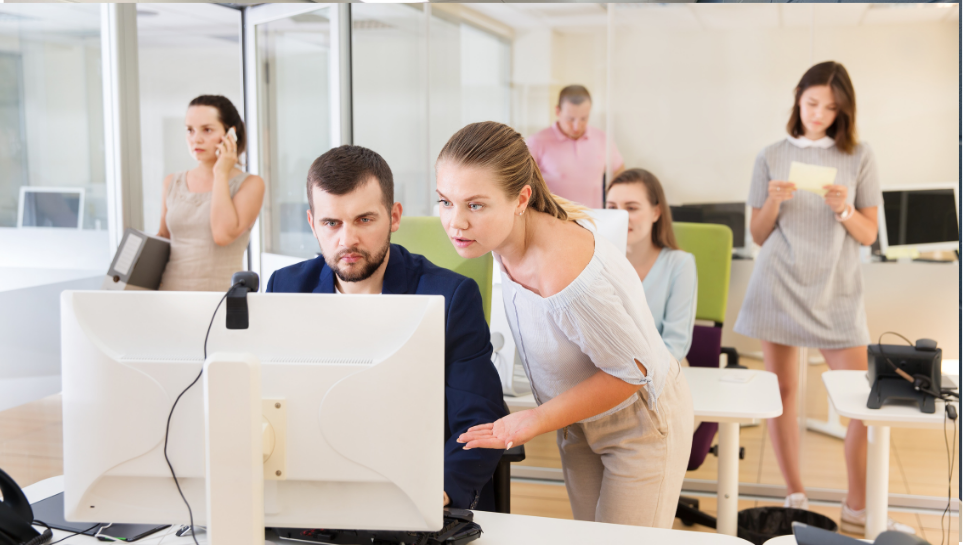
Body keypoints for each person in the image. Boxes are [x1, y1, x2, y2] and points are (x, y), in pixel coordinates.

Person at [438, 121, 693, 528]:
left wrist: (532, 420)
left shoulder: (562, 269)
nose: (456, 223)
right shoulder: (500, 239)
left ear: (521, 199)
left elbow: (634, 371)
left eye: (475, 205)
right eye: (445, 201)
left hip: (638, 422)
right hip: (578, 419)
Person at [265, 145, 507, 511]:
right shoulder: (285, 289)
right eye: (331, 223)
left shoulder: (449, 297)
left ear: (394, 217)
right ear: (313, 223)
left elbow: (478, 420)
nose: (347, 240)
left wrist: (435, 495)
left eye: (364, 220)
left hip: (413, 490)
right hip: (313, 490)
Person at [733, 61, 913, 535]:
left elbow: (869, 233)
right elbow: (758, 234)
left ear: (842, 112)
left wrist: (844, 209)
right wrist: (774, 201)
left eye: (830, 108)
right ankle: (795, 494)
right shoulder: (770, 154)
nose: (818, 114)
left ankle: (857, 504)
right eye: (812, 103)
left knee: (862, 399)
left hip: (836, 288)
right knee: (783, 393)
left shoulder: (859, 155)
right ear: (798, 98)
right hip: (778, 284)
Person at [157, 95, 265, 291]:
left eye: (207, 130)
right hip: (169, 295)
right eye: (190, 130)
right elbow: (163, 239)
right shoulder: (172, 182)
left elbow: (222, 235)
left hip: (220, 298)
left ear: (231, 134)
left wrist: (221, 173)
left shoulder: (251, 184)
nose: (196, 139)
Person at [606, 169, 697, 363]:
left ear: (656, 212)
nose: (621, 216)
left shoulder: (680, 265)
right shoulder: (598, 263)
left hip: (658, 372)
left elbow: (675, 345)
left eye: (631, 208)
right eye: (612, 207)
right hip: (606, 372)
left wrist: (632, 375)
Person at [525, 85, 624, 209]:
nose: (577, 126)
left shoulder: (603, 139)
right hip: (552, 217)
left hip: (594, 218)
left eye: (583, 119)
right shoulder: (536, 142)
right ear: (558, 111)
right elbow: (521, 182)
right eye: (570, 119)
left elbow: (620, 172)